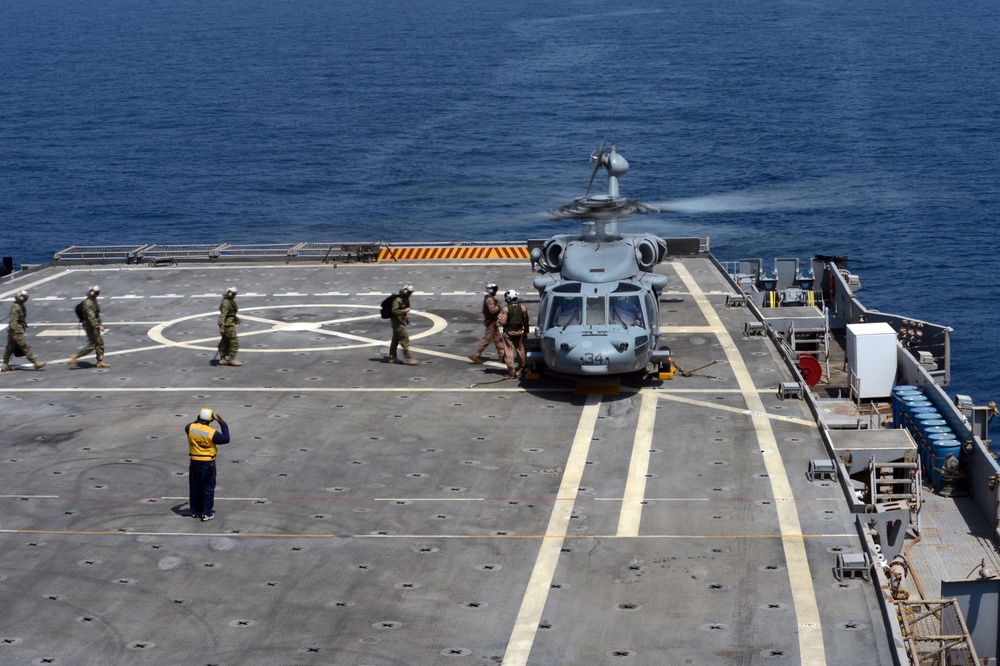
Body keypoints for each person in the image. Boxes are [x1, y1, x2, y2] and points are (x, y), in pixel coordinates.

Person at [186, 407, 230, 521]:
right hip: (208, 463)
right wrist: (222, 423)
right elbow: (226, 438)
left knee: (195, 487)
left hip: (195, 462)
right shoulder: (212, 433)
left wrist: (199, 419)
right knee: (208, 488)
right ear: (211, 420)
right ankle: (206, 513)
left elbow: (191, 424)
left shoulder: (190, 428)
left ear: (199, 417)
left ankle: (195, 511)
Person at [2, 290, 46, 372]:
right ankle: (35, 363)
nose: (26, 298)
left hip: (15, 329)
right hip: (16, 330)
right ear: (20, 297)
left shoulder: (19, 305)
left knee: (10, 348)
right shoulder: (16, 307)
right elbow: (13, 321)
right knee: (25, 346)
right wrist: (14, 333)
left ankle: (5, 364)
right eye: (25, 297)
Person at [70, 286, 109, 369]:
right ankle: (75, 356)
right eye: (96, 293)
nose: (98, 294)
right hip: (90, 325)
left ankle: (100, 362)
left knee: (100, 343)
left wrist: (100, 324)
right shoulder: (88, 303)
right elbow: (91, 317)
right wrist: (98, 326)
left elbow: (96, 314)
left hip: (94, 325)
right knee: (93, 344)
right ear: (93, 293)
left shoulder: (94, 301)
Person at [469, 282, 505, 365]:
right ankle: (476, 355)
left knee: (498, 339)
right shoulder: (490, 300)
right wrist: (498, 306)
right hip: (491, 322)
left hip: (493, 322)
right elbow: (492, 311)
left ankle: (502, 356)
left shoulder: (489, 298)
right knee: (486, 339)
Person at [499, 289, 529, 378]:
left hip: (508, 332)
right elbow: (526, 321)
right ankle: (521, 368)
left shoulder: (506, 309)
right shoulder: (522, 308)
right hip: (519, 332)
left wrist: (499, 319)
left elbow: (503, 322)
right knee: (521, 351)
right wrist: (526, 332)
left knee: (509, 351)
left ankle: (511, 371)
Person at [389, 284, 417, 365]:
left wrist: (405, 317)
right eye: (409, 293)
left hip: (399, 322)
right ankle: (408, 358)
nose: (410, 295)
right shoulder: (399, 300)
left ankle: (392, 357)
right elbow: (394, 311)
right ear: (405, 291)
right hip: (397, 323)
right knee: (405, 339)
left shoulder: (404, 298)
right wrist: (405, 311)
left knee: (395, 340)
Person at [218, 287, 243, 366]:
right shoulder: (226, 303)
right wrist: (222, 327)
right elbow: (223, 316)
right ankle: (232, 359)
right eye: (234, 294)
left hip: (228, 323)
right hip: (227, 325)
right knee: (234, 341)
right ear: (230, 293)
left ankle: (222, 359)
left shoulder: (229, 301)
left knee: (225, 341)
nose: (235, 295)